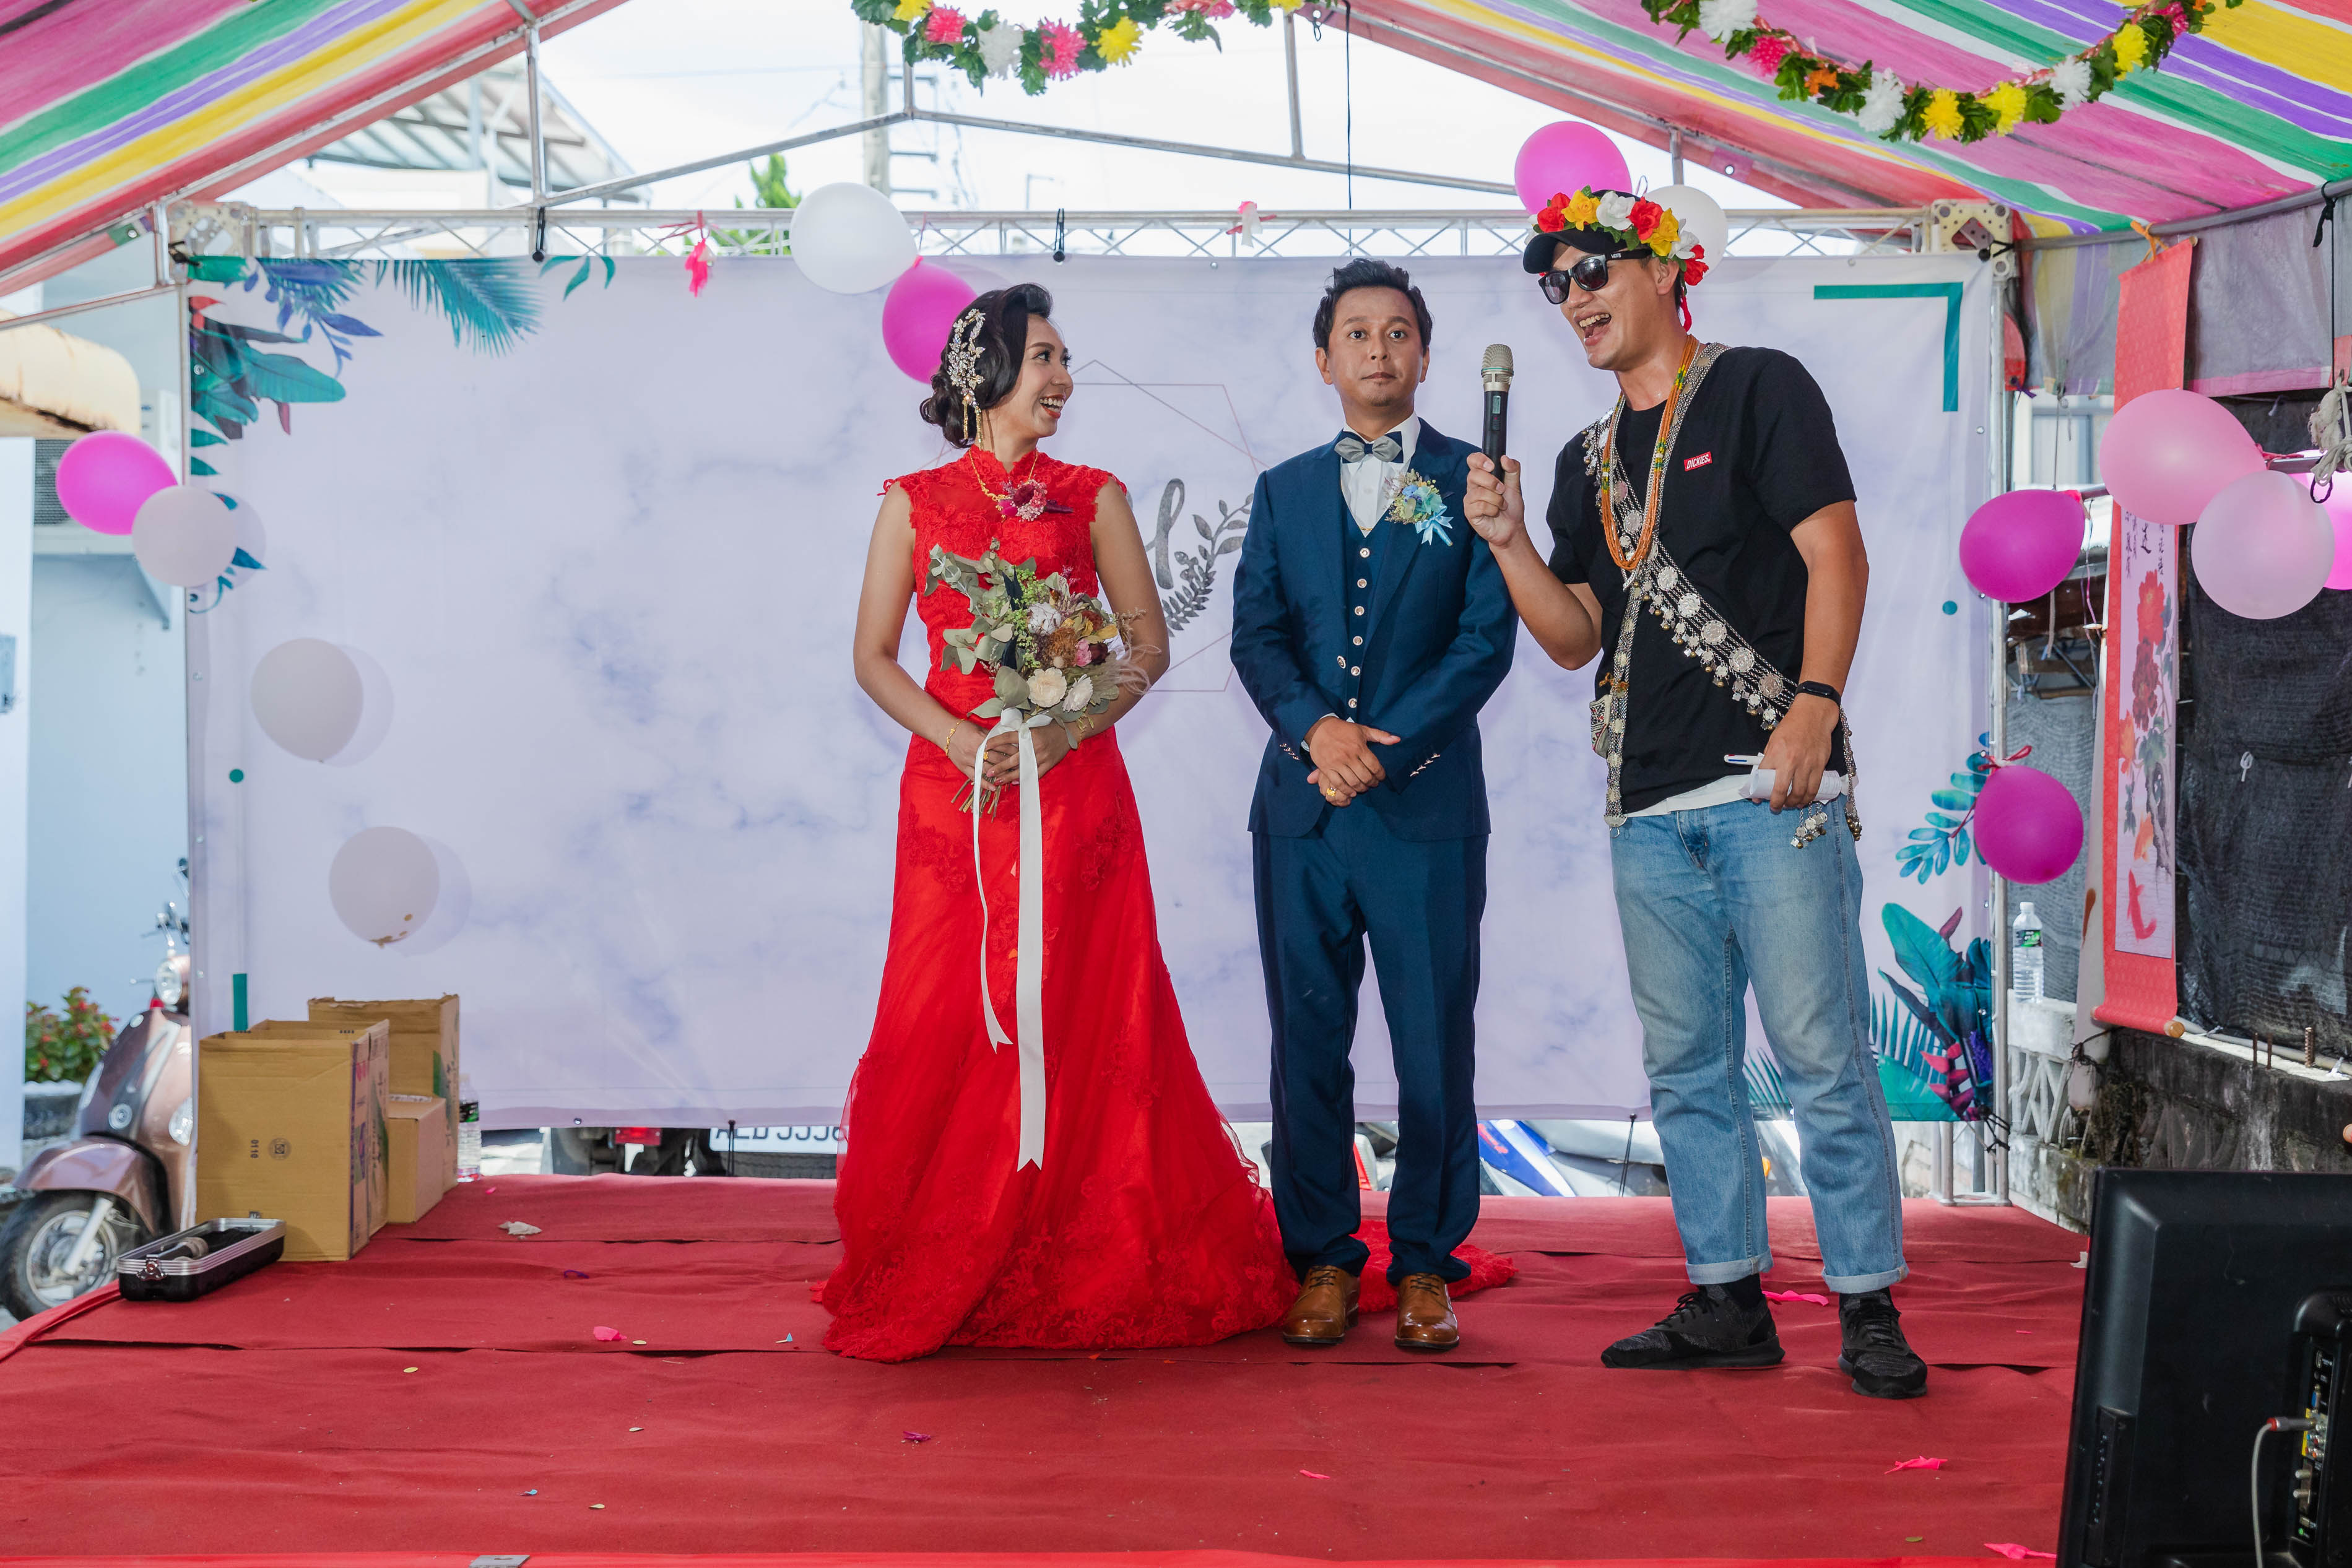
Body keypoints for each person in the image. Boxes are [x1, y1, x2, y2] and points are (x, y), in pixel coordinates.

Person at [1460, 189, 1928, 1399]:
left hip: (1773, 790)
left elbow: (1835, 550)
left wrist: (1815, 702)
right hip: (1647, 807)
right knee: (1685, 1069)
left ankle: (1867, 1303)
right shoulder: (1583, 463)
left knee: (1822, 1057)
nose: (1572, 296)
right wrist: (1509, 542)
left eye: (1593, 269)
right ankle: (1727, 1295)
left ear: (1667, 270)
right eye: (1556, 281)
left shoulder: (1760, 388)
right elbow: (1574, 635)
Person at [822, 284, 1298, 1361]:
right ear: (986, 369)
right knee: (952, 1004)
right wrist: (958, 739)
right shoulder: (911, 501)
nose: (1064, 379)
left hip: (1075, 791)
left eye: (1064, 358)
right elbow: (871, 658)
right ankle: (951, 1237)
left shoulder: (1095, 496)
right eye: (1045, 357)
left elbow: (1146, 645)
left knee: (1089, 1000)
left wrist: (1064, 730)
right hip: (955, 796)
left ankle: (1087, 1237)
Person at [1230, 259, 1519, 1353]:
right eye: (1356, 333)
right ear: (1324, 359)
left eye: (1398, 332)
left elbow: (1483, 642)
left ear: (1425, 355)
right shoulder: (1283, 490)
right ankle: (1320, 1256)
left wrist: (1382, 752)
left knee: (1434, 1038)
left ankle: (1427, 1261)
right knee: (1307, 1039)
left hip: (1424, 808)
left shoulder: (1473, 480)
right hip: (1301, 809)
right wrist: (1321, 734)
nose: (1378, 349)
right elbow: (1257, 636)